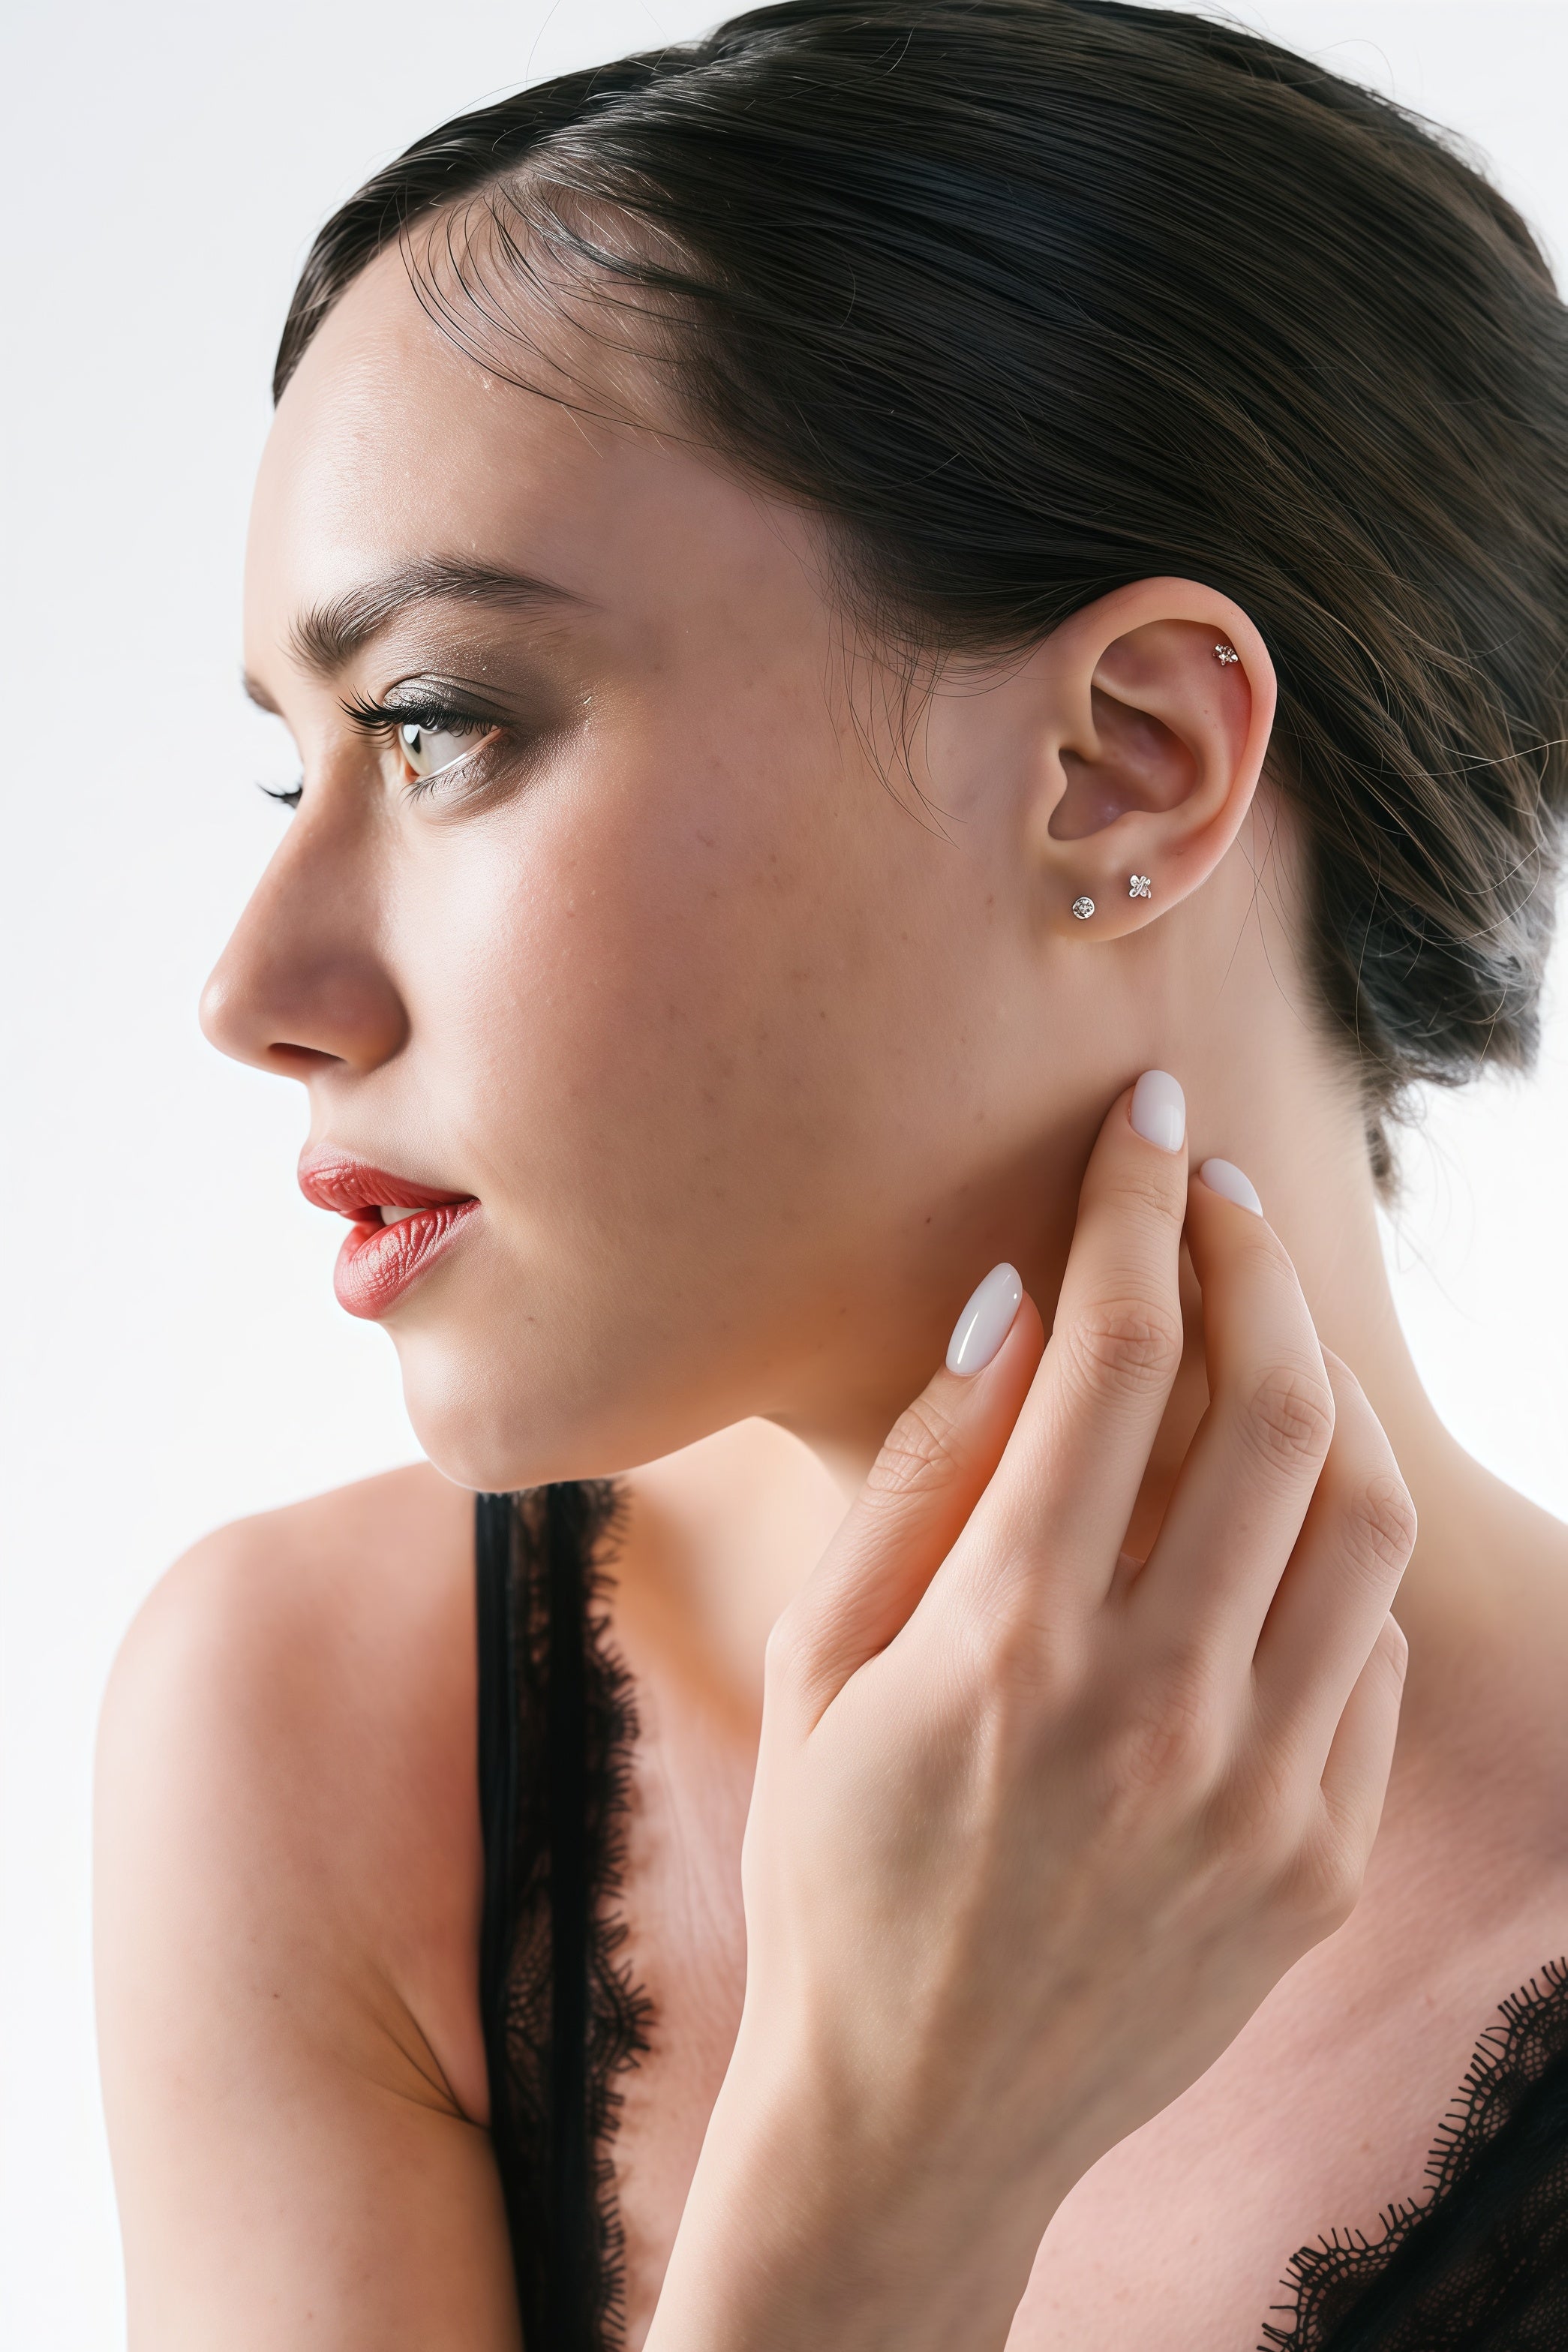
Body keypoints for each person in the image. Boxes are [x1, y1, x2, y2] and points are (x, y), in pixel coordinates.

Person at [93, 3, 1568, 2345]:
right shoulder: (336, 1735)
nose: (261, 985)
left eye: (441, 725)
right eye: (303, 773)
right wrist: (877, 2181)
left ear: (1123, 764)